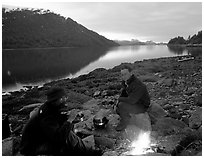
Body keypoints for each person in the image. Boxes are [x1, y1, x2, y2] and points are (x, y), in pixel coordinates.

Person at [20, 87, 101, 156]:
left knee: (67, 131)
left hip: (41, 139)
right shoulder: (46, 115)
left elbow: (57, 121)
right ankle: (89, 152)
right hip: (32, 148)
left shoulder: (51, 107)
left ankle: (84, 149)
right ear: (58, 99)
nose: (66, 99)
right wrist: (70, 120)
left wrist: (70, 117)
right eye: (64, 97)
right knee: (67, 136)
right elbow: (58, 138)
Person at [115, 67, 150, 131]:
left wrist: (119, 99)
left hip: (142, 105)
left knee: (121, 105)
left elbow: (132, 100)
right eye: (122, 75)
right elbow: (124, 92)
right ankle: (126, 117)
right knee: (117, 107)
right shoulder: (126, 82)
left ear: (131, 73)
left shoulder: (137, 84)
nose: (123, 76)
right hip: (135, 101)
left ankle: (125, 121)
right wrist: (117, 101)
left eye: (125, 74)